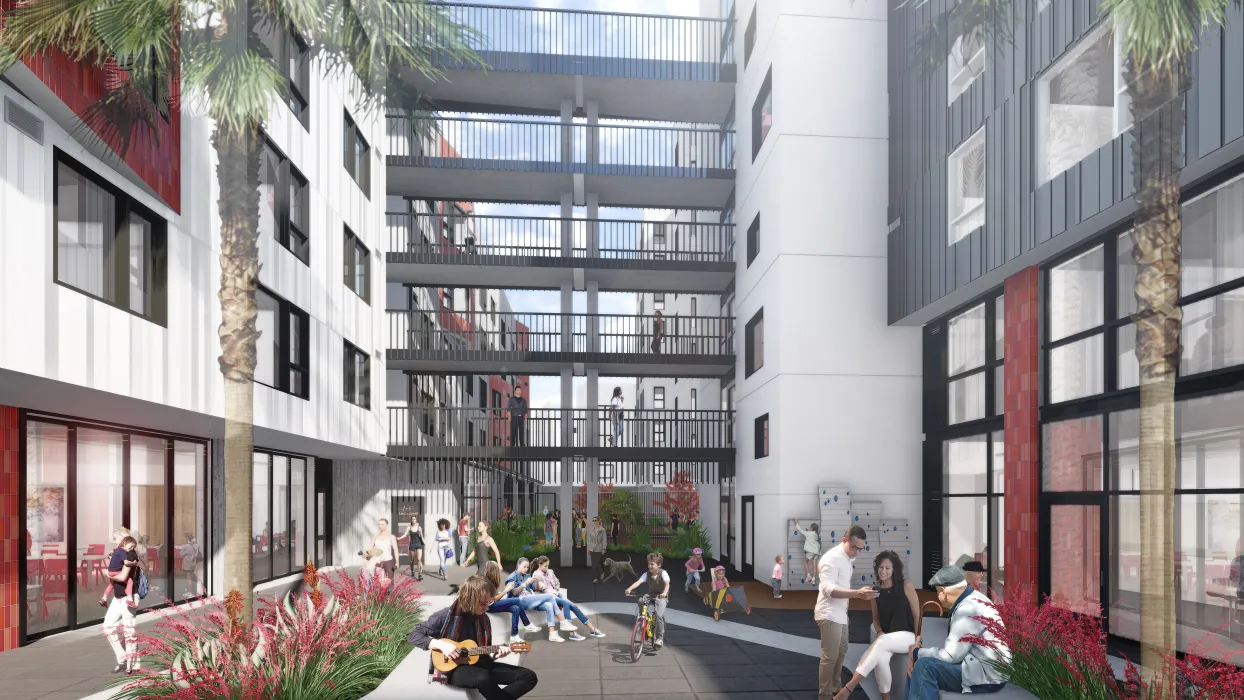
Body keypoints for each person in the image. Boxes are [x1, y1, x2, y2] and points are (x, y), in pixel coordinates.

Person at [408, 574, 539, 700]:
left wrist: (495, 654)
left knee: (528, 676)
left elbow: (482, 651)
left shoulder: (484, 619)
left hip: (480, 664)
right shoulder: (445, 616)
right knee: (483, 677)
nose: (486, 607)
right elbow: (414, 636)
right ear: (469, 598)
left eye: (489, 602)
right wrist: (441, 645)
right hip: (453, 669)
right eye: (483, 603)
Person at [906, 566, 1009, 700]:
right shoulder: (974, 598)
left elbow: (950, 655)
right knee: (919, 664)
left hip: (987, 676)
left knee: (924, 667)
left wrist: (916, 653)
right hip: (986, 668)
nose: (938, 597)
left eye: (937, 592)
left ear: (943, 592)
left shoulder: (967, 610)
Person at [834, 551, 921, 700]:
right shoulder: (875, 591)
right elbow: (875, 618)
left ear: (895, 570)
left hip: (908, 636)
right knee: (880, 660)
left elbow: (917, 615)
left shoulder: (906, 585)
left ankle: (849, 687)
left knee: (880, 642)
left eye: (888, 568)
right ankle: (885, 698)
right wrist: (879, 630)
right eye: (881, 567)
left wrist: (918, 640)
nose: (883, 571)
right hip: (887, 637)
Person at [816, 525, 878, 699]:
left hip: (841, 613)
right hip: (828, 613)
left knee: (842, 651)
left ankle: (836, 687)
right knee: (830, 657)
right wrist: (858, 594)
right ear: (845, 540)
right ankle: (825, 695)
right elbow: (828, 590)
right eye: (854, 548)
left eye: (861, 549)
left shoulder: (847, 557)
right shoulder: (832, 559)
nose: (857, 552)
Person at [530, 556, 606, 639]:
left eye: (548, 565)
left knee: (573, 606)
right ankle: (571, 632)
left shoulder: (550, 572)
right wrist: (552, 592)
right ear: (539, 565)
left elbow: (557, 582)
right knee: (566, 603)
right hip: (547, 597)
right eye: (545, 566)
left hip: (556, 594)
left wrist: (556, 589)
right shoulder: (536, 574)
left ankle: (592, 629)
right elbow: (542, 588)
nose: (547, 567)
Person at [102, 532, 142, 674]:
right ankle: (122, 657)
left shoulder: (130, 554)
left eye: (116, 538)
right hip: (118, 597)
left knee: (128, 630)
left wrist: (108, 574)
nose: (114, 540)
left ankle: (134, 665)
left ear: (124, 540)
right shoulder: (119, 552)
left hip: (128, 597)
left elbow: (123, 576)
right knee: (107, 626)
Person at [503, 558, 568, 642]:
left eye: (527, 567)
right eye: (524, 567)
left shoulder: (527, 576)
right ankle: (563, 621)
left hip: (530, 599)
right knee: (550, 596)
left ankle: (552, 634)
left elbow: (535, 589)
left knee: (549, 605)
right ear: (518, 565)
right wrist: (525, 583)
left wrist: (537, 581)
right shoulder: (512, 577)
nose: (526, 569)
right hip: (520, 601)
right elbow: (513, 593)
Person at [624, 552, 670, 650]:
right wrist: (629, 589)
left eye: (652, 564)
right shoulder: (647, 574)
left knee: (659, 615)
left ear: (659, 565)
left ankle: (659, 639)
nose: (649, 566)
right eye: (649, 564)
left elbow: (667, 584)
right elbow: (638, 582)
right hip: (651, 594)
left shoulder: (663, 573)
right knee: (640, 600)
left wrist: (665, 593)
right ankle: (642, 619)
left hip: (661, 596)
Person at [98, 527, 133, 608]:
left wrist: (109, 575)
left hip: (122, 595)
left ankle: (104, 598)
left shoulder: (121, 551)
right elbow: (122, 575)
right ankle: (129, 598)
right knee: (129, 581)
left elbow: (122, 577)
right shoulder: (122, 551)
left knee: (111, 585)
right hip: (119, 595)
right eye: (121, 539)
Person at [588, 516, 608, 583]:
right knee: (594, 565)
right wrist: (589, 548)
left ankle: (601, 573)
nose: (594, 522)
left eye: (595, 520)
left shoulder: (602, 530)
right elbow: (590, 540)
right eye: (593, 520)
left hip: (599, 549)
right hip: (592, 549)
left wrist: (604, 548)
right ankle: (596, 578)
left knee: (597, 563)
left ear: (599, 521)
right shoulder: (591, 529)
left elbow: (604, 540)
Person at [406, 515, 426, 581]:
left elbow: (422, 537)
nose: (414, 520)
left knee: (419, 559)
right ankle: (412, 570)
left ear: (416, 520)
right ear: (411, 520)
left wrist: (425, 543)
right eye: (412, 519)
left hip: (419, 544)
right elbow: (405, 534)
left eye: (415, 519)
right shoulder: (409, 528)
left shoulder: (419, 528)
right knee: (412, 560)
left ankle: (420, 574)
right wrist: (399, 538)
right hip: (412, 544)